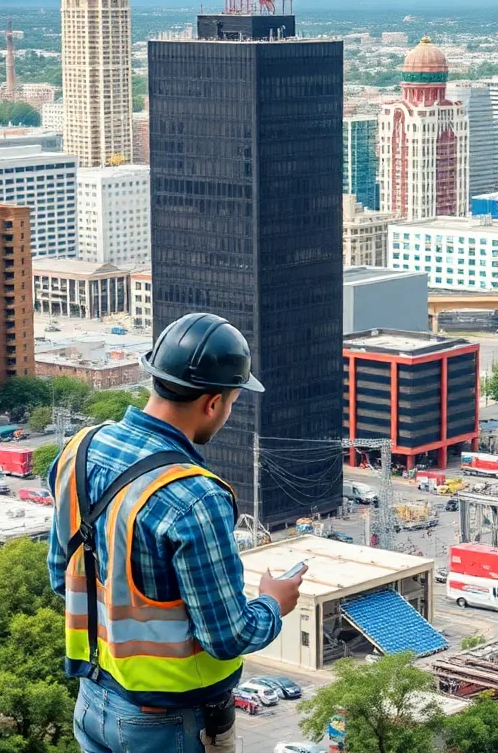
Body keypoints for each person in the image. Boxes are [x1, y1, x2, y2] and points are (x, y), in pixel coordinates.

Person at [47, 313, 306, 753]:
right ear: (212, 403)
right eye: (231, 402)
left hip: (92, 702)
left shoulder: (80, 448)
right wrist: (273, 603)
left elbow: (63, 577)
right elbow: (228, 638)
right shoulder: (195, 497)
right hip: (169, 724)